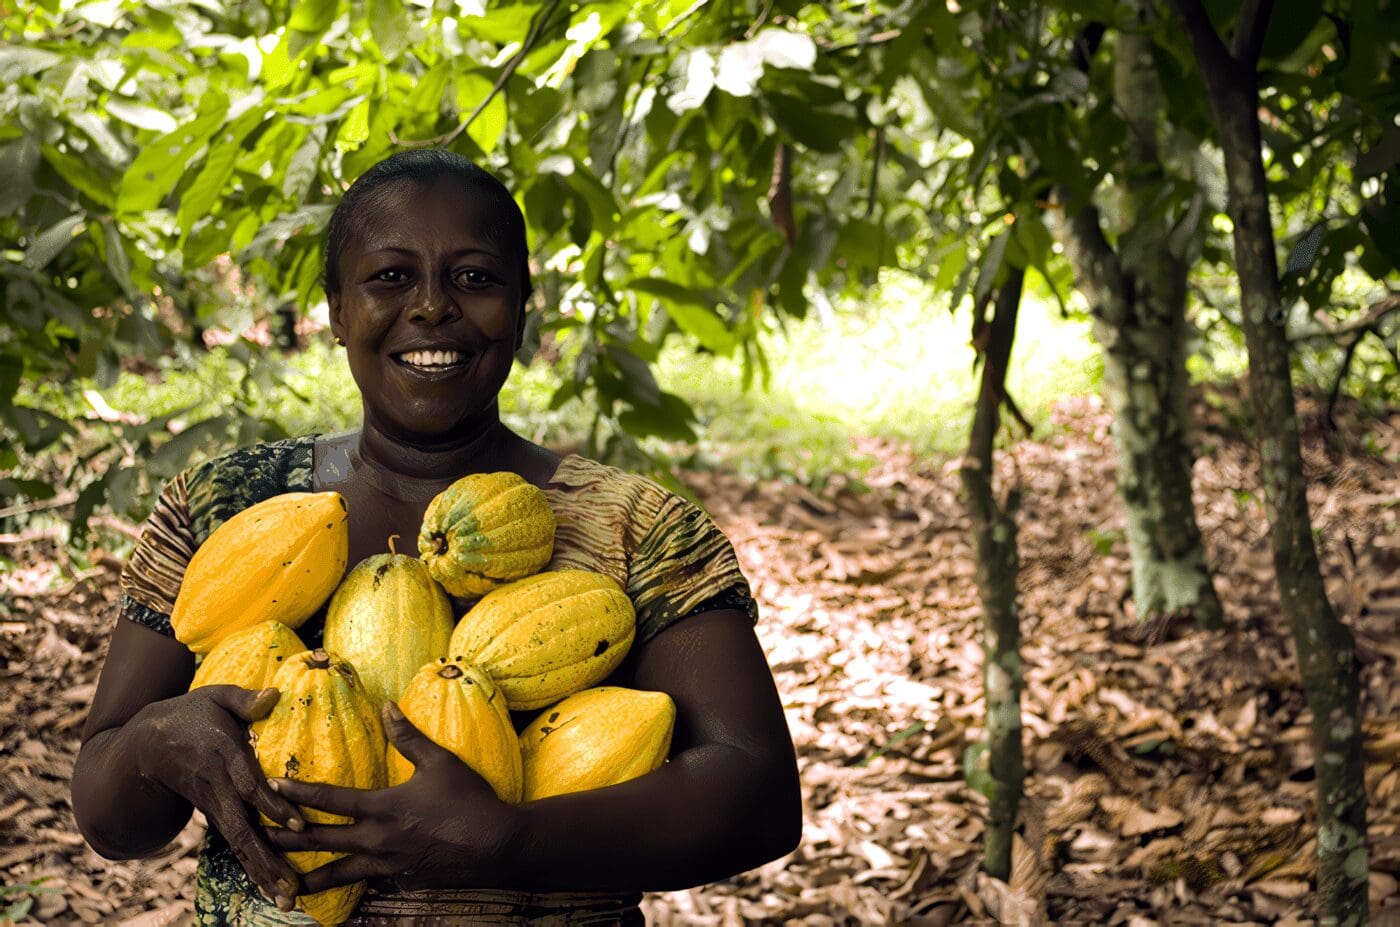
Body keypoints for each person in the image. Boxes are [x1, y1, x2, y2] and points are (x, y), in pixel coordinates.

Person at [70, 149, 802, 925]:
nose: (431, 307)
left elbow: (758, 797)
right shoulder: (222, 506)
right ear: (336, 309)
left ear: (522, 304)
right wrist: (153, 744)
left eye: (475, 277)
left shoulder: (636, 527)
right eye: (390, 277)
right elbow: (110, 818)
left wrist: (508, 839)